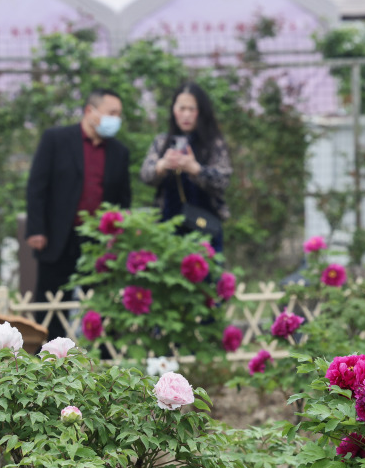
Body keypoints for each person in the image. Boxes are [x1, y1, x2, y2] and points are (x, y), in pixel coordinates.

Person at [25, 88, 132, 340]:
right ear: (90, 112)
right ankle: (46, 366)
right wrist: (36, 228)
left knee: (100, 308)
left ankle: (103, 365)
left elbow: (123, 200)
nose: (116, 119)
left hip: (98, 243)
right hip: (57, 237)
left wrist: (119, 238)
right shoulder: (56, 139)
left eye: (119, 114)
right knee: (51, 306)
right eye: (111, 113)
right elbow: (37, 186)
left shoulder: (119, 152)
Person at [140, 83, 232, 252]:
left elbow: (223, 180)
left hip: (205, 224)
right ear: (174, 110)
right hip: (166, 225)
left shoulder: (213, 143)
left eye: (192, 109)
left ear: (201, 112)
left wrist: (196, 169)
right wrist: (161, 166)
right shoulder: (162, 142)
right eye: (181, 108)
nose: (186, 115)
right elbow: (145, 175)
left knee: (206, 273)